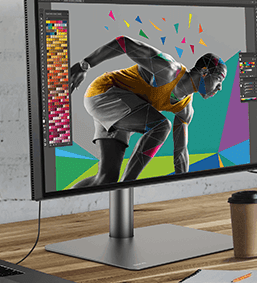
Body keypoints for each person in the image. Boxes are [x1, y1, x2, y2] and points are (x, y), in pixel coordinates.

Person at [67, 35, 226, 187]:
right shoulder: (168, 70)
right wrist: (84, 65)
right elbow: (124, 43)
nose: (220, 87)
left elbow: (181, 152)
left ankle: (67, 204)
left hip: (122, 109)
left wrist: (184, 185)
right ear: (204, 72)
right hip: (104, 93)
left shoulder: (185, 109)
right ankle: (127, 187)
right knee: (162, 126)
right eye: (219, 78)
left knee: (105, 179)